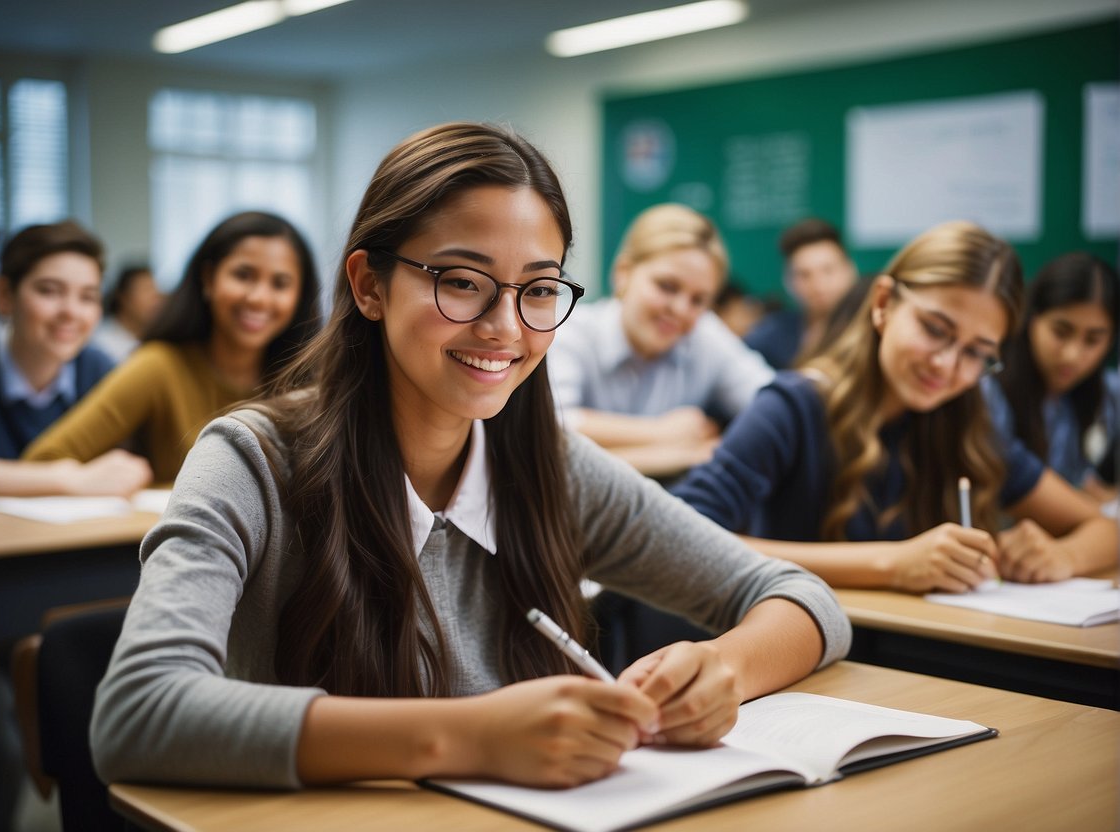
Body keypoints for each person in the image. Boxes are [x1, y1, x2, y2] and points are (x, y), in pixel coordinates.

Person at [91, 122, 849, 791]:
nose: (503, 327)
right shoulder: (251, 461)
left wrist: (723, 670)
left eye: (539, 290)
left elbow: (801, 599)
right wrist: (467, 736)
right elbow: (138, 711)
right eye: (461, 281)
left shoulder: (548, 463)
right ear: (369, 285)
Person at [674, 221, 1118, 590]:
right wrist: (892, 564)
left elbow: (1107, 530)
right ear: (884, 304)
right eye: (934, 329)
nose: (946, 366)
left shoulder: (967, 424)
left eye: (977, 353)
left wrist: (1063, 555)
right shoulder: (795, 406)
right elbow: (681, 541)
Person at [22, 211, 321, 484]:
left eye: (280, 284)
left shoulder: (310, 383)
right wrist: (94, 479)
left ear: (299, 296)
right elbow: (40, 461)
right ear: (208, 278)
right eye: (243, 275)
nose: (258, 298)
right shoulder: (159, 365)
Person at [0, 220, 152, 497]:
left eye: (87, 297)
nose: (70, 312)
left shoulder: (99, 370)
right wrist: (60, 479)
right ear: (4, 295)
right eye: (49, 291)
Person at [547, 204, 774, 478]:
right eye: (667, 286)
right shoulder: (570, 330)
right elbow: (549, 426)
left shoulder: (704, 333)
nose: (680, 309)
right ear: (623, 273)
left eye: (698, 300)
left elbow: (770, 402)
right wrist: (663, 435)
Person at [983, 252, 1118, 503]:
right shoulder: (988, 391)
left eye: (1093, 340)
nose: (1072, 355)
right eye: (1060, 331)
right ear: (1031, 319)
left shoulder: (1109, 394)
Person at [745, 218, 858, 369]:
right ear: (788, 281)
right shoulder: (774, 333)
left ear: (850, 270)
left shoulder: (874, 327)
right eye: (804, 275)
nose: (819, 285)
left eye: (828, 271)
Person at [92, 263, 164, 363]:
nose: (156, 298)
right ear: (123, 298)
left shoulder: (156, 343)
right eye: (147, 290)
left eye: (156, 290)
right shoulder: (99, 345)